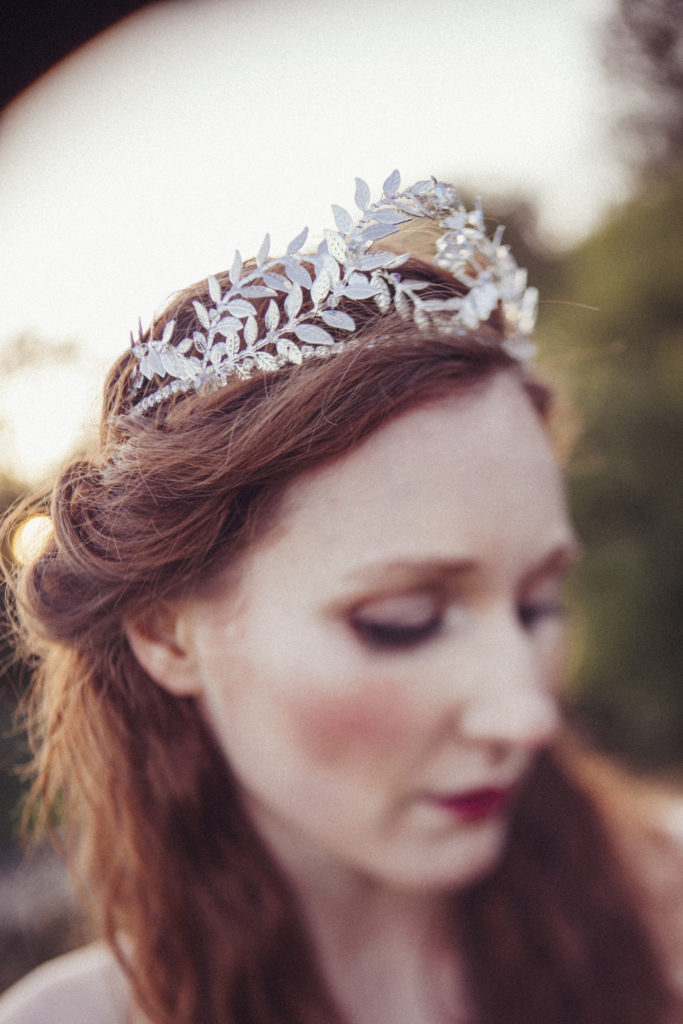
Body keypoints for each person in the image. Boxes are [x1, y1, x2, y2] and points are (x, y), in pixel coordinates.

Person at [0, 173, 681, 1024]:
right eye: (404, 622)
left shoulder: (665, 927)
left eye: (536, 605)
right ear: (167, 634)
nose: (526, 717)